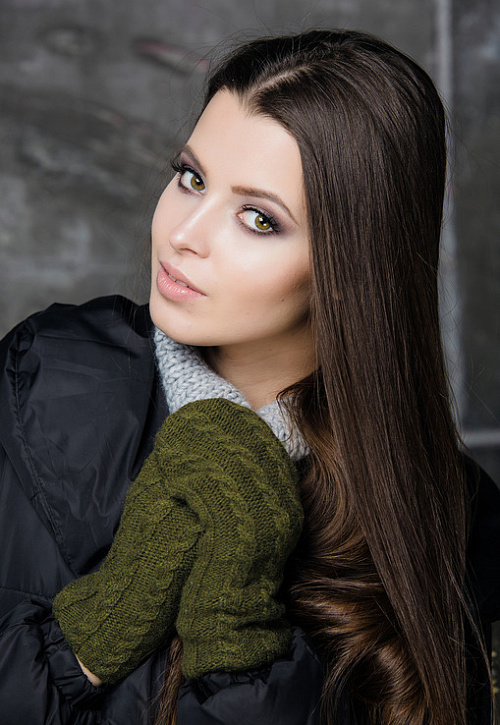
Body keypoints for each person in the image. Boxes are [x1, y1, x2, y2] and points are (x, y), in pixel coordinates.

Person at [0, 27, 499, 725]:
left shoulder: (451, 521)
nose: (183, 234)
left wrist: (236, 635)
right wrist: (94, 633)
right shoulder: (43, 374)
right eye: (191, 178)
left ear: (352, 267)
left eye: (258, 218)